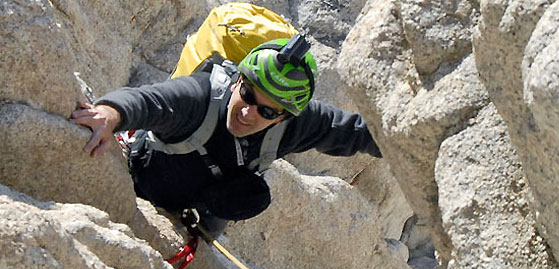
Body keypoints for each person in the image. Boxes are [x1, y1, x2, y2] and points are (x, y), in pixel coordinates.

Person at [70, 35, 381, 237]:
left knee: (253, 195)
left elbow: (354, 133)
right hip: (142, 180)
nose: (249, 112)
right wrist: (109, 114)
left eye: (268, 113)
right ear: (238, 80)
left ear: (284, 116)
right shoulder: (200, 97)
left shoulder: (296, 122)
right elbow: (148, 101)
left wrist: (418, 148)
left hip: (195, 216)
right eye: (247, 94)